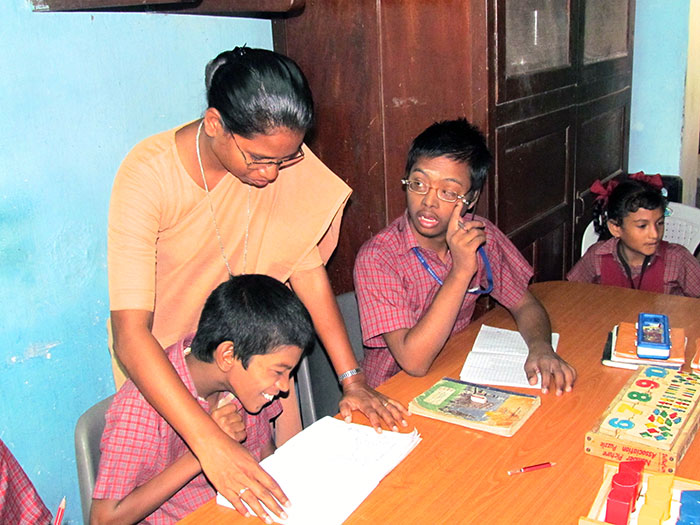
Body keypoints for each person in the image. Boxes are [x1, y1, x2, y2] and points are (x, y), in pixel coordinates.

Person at [108, 47, 408, 521]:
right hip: (172, 382)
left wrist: (353, 381)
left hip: (252, 363)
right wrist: (208, 444)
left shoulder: (277, 151)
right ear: (214, 124)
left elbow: (304, 266)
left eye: (285, 160)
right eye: (259, 159)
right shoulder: (149, 176)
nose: (271, 174)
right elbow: (130, 336)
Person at [353, 118, 576, 395]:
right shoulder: (379, 257)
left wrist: (541, 348)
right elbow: (414, 362)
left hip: (452, 371)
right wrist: (461, 271)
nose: (428, 201)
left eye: (448, 192)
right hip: (392, 391)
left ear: (471, 198)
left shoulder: (480, 237)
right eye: (418, 183)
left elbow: (525, 304)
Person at [92, 274, 315, 525]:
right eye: (278, 372)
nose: (284, 387)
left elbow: (264, 454)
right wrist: (206, 451)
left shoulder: (244, 388)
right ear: (227, 355)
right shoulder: (140, 408)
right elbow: (104, 519)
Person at [567, 174, 700, 296]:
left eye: (660, 223)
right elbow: (570, 293)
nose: (655, 234)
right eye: (642, 226)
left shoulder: (678, 259)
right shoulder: (597, 257)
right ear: (615, 228)